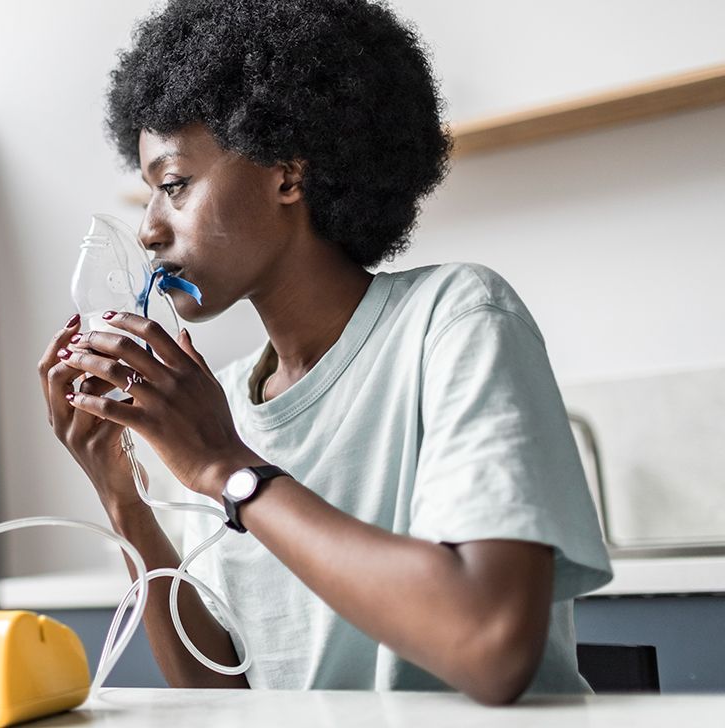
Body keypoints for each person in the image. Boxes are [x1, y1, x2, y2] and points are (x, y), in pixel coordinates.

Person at [37, 0, 611, 706]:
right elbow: (221, 686)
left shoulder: (454, 319)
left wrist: (226, 468)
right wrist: (122, 498)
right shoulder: (216, 405)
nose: (150, 231)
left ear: (287, 173)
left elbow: (490, 645)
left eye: (175, 185)